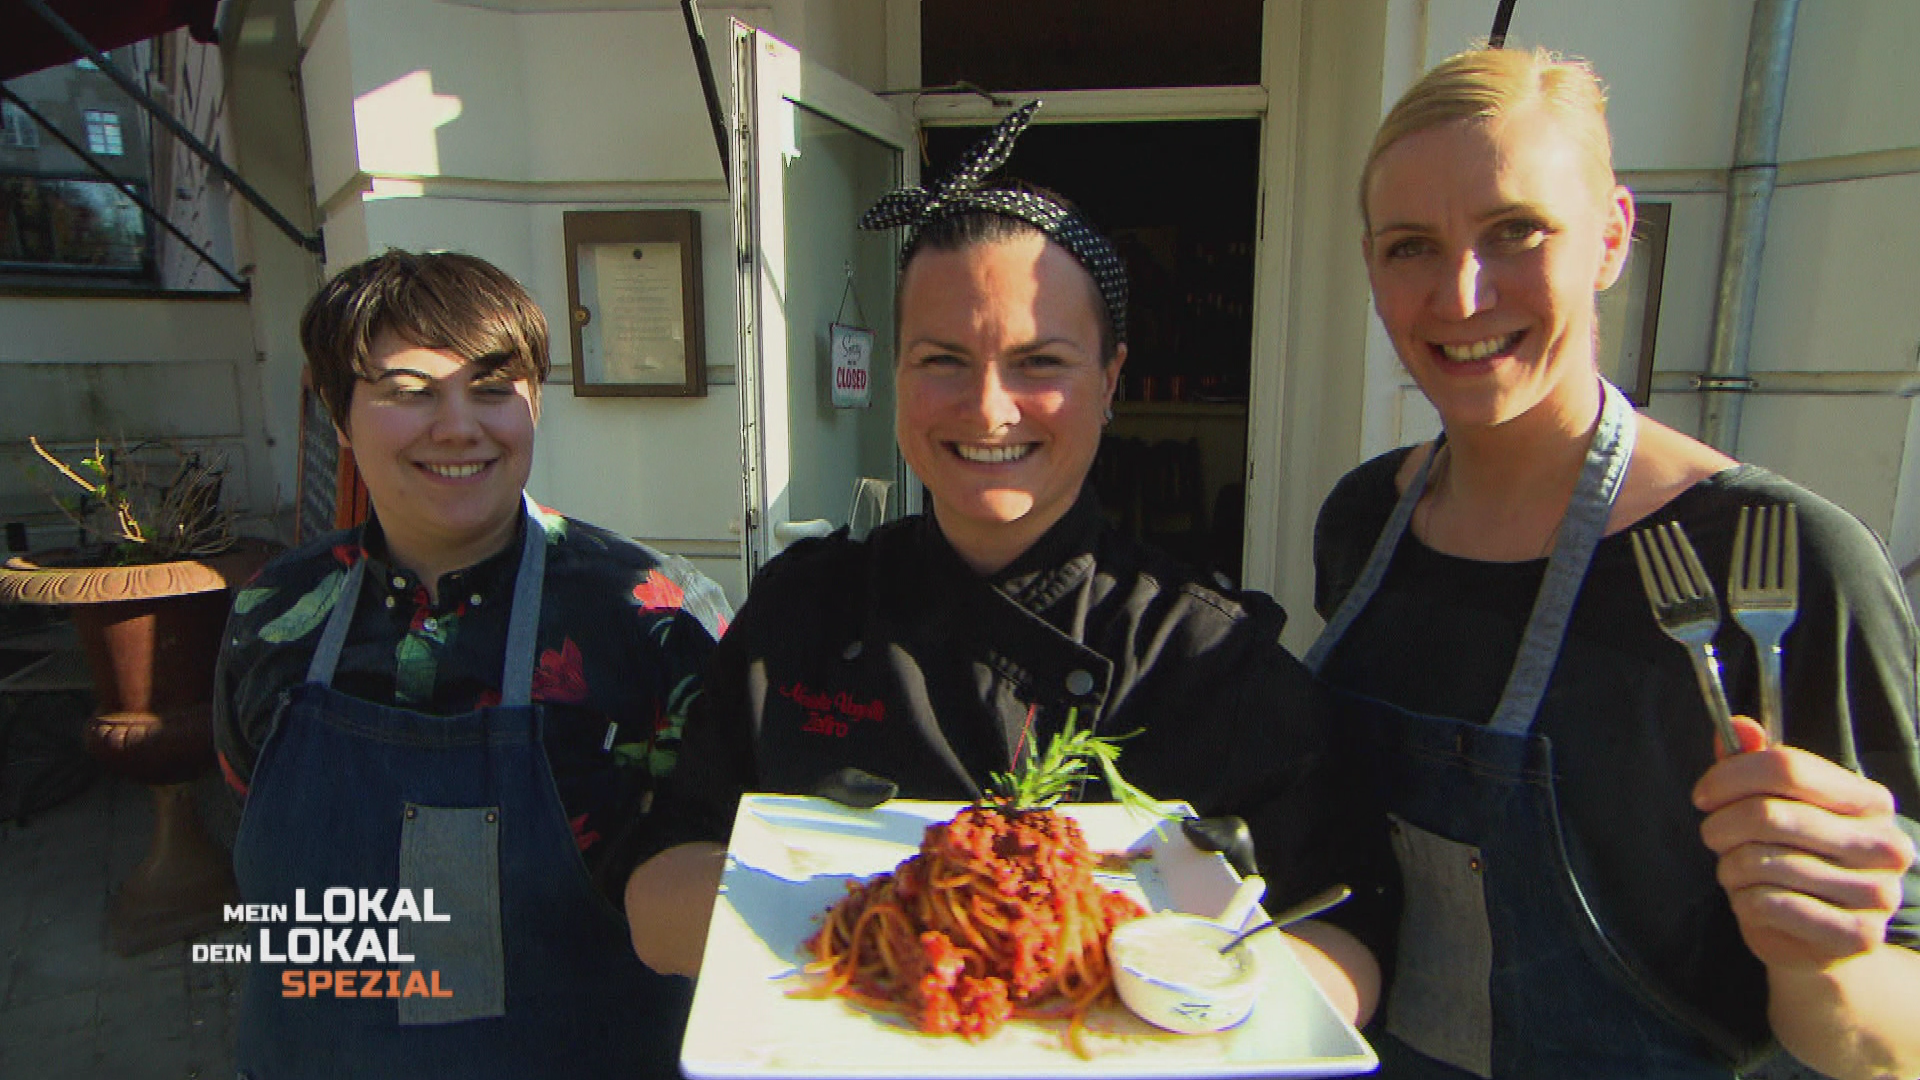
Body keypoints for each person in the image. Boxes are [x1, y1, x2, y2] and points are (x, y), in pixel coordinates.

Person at [623, 101, 1381, 1023]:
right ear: (897, 377)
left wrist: (1149, 980)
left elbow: (1346, 939)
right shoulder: (804, 613)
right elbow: (656, 898)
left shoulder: (1205, 657)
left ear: (1111, 380)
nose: (988, 408)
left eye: (1039, 362)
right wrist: (887, 924)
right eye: (942, 359)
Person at [1308, 47, 1920, 1080]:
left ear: (1612, 236)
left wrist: (1830, 964)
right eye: (1412, 246)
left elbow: (1888, 1040)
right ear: (1371, 267)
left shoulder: (1777, 562)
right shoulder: (1364, 519)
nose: (1461, 294)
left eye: (1516, 231)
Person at [212, 250, 731, 1079]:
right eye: (409, 392)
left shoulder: (651, 618)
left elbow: (731, 888)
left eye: (492, 388)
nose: (458, 426)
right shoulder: (275, 613)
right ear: (339, 417)